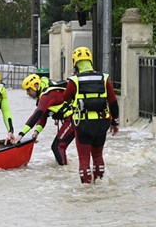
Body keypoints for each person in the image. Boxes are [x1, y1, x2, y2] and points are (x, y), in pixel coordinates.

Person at [63, 47, 120, 184]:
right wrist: (115, 122)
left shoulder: (74, 81)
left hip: (83, 124)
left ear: (75, 63)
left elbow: (66, 100)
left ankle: (86, 189)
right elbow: (113, 102)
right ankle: (100, 183)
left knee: (84, 158)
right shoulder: (104, 78)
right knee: (98, 155)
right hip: (102, 123)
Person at [13, 74, 75, 165]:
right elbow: (43, 117)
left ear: (36, 85)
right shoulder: (44, 95)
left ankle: (65, 171)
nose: (27, 93)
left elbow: (37, 114)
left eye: (28, 90)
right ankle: (63, 169)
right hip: (71, 120)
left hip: (73, 119)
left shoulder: (47, 95)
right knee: (57, 147)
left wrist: (21, 134)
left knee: (58, 147)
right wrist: (36, 132)